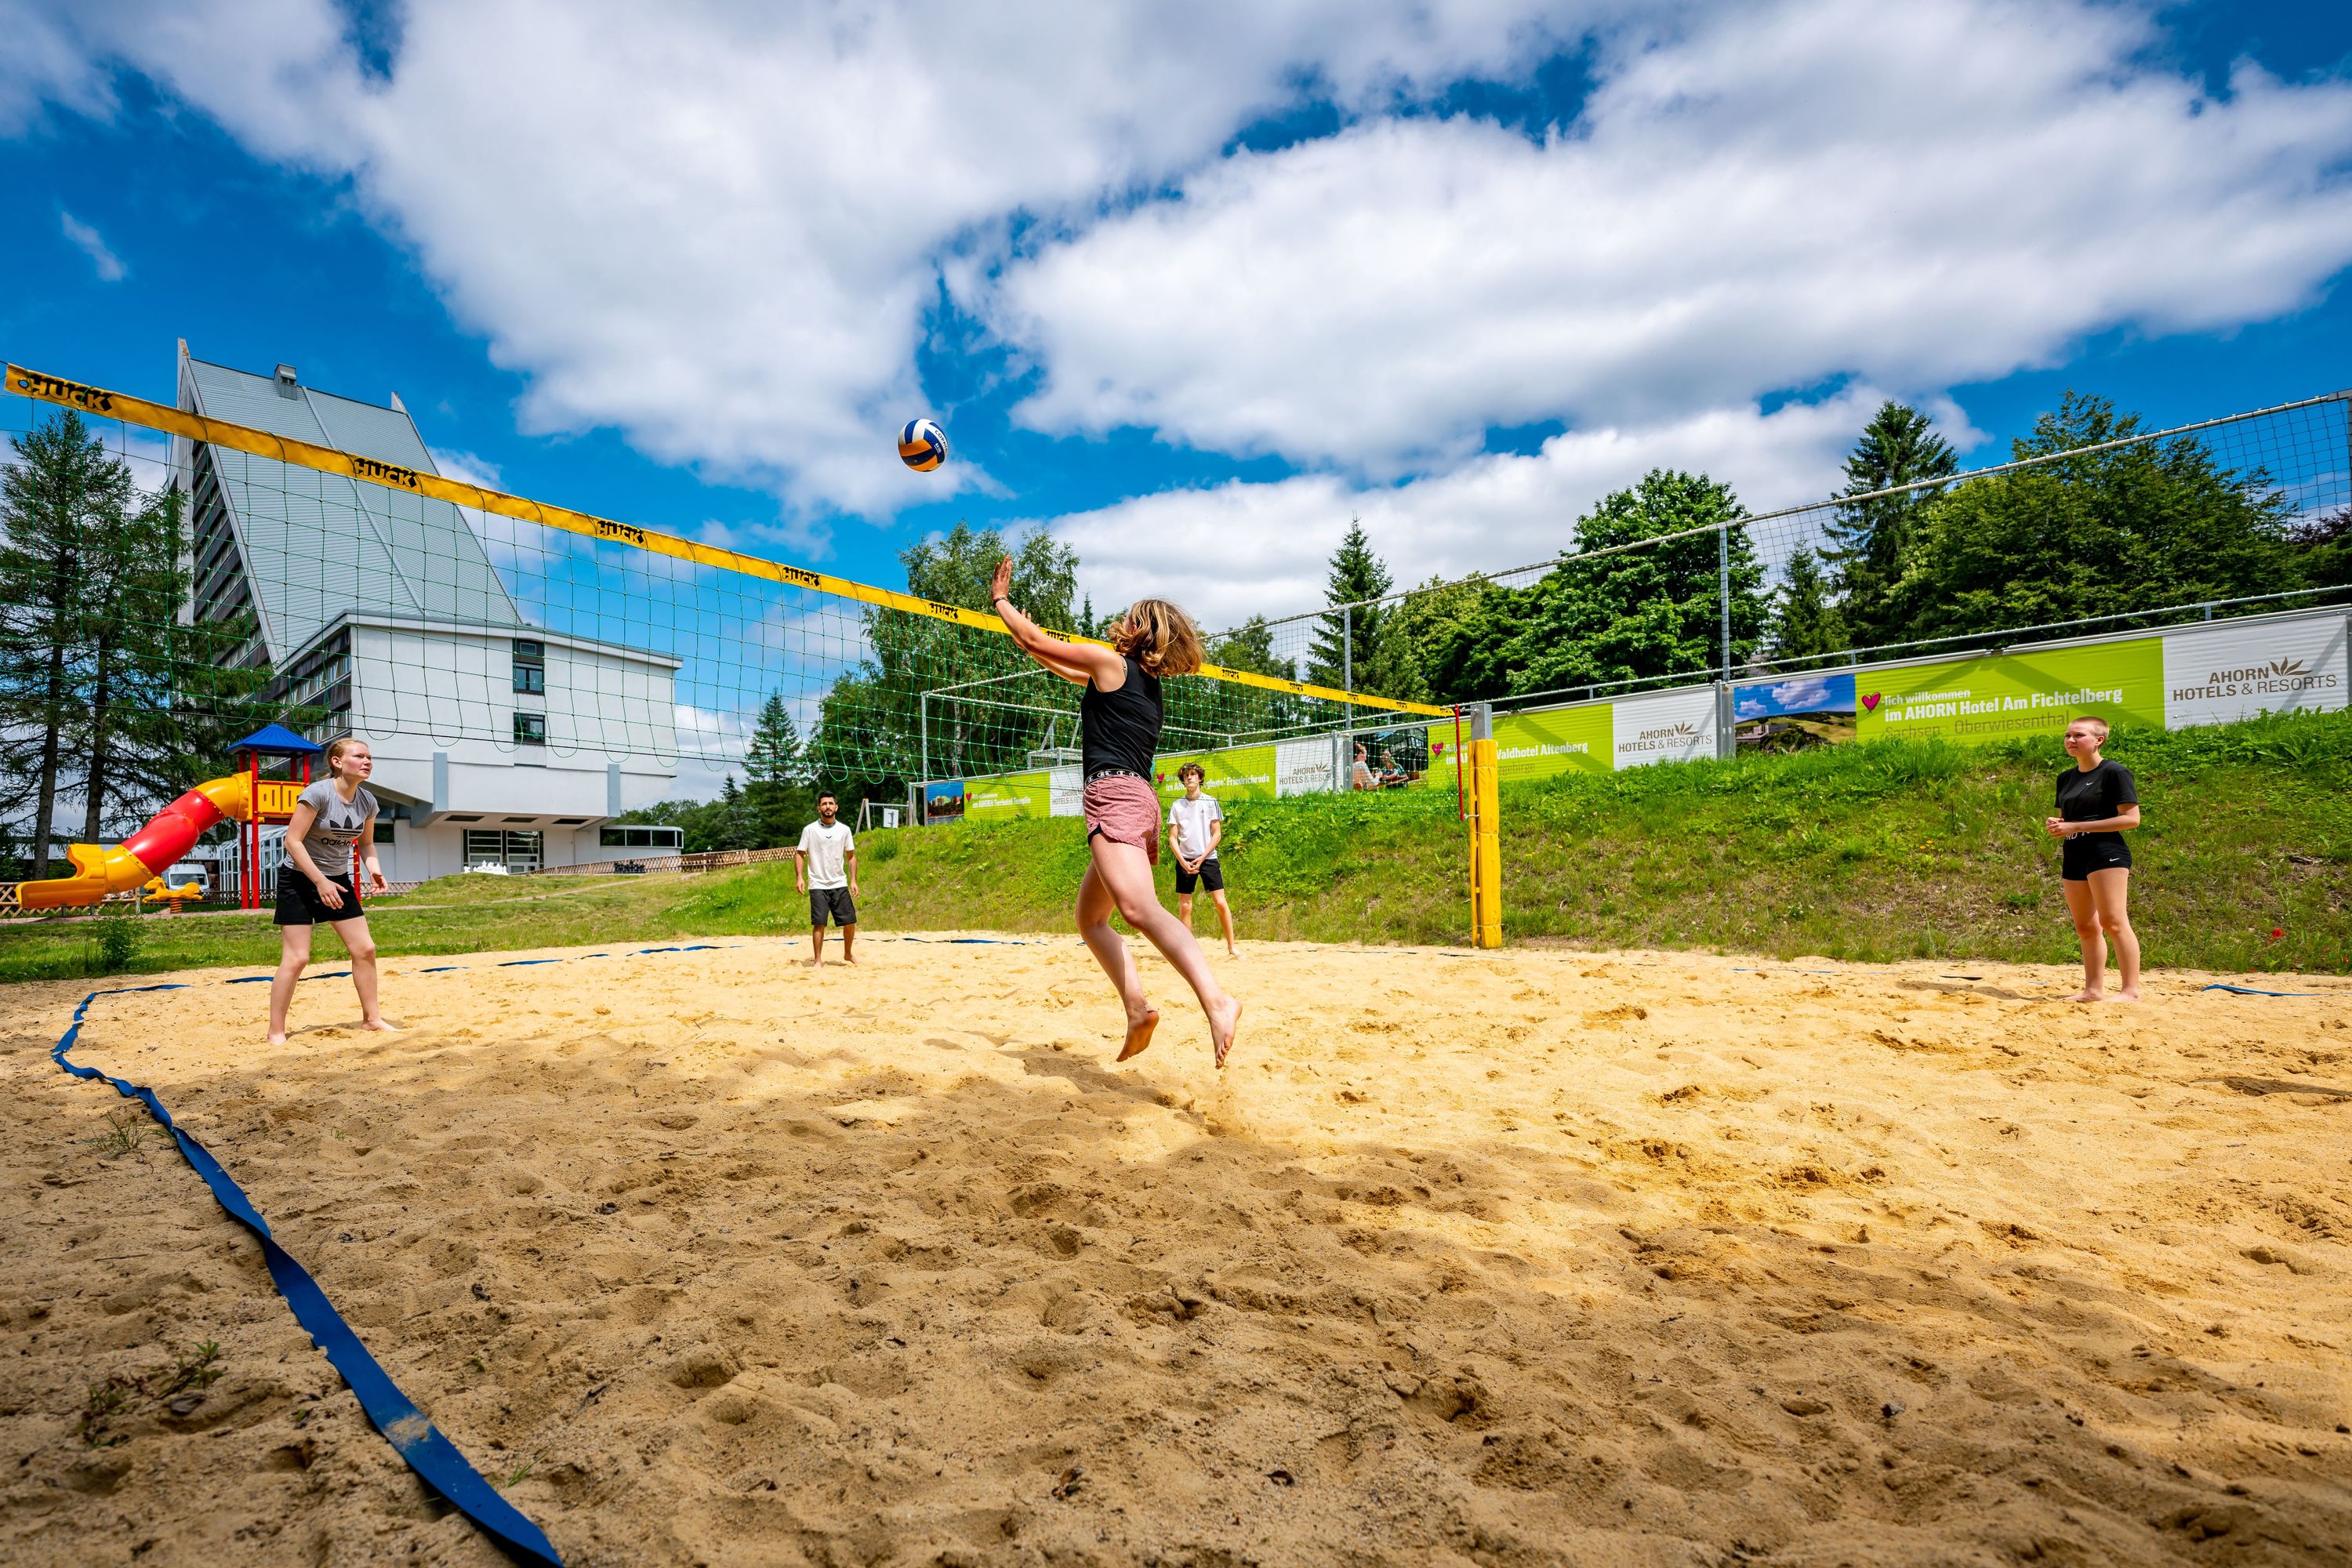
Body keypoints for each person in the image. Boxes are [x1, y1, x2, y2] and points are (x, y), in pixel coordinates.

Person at [990, 555, 1242, 1065]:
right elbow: (1051, 658)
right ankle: (1137, 1011)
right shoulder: (1144, 685)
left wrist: (1001, 601)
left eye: (1130, 617)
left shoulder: (1112, 664)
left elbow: (1042, 644)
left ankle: (1218, 1000)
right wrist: (1020, 631)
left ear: (1140, 630)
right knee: (1091, 919)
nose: (1121, 621)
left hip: (1116, 798)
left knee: (1138, 910)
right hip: (1138, 802)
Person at [268, 737, 394, 1045]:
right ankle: (276, 1031)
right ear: (337, 762)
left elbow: (365, 843)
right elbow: (293, 841)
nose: (367, 761)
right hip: (299, 879)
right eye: (359, 756)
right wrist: (319, 881)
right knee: (297, 958)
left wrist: (373, 868)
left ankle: (372, 1019)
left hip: (337, 879)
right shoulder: (317, 793)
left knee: (365, 949)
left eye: (369, 756)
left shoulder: (368, 802)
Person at [2044, 715, 2141, 1003]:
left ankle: (2130, 991)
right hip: (2075, 851)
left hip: (2106, 850)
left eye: (2079, 735)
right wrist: (2059, 825)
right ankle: (2093, 990)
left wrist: (2076, 826)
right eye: (2067, 736)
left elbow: (2131, 819)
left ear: (2099, 740)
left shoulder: (2114, 772)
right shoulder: (2066, 777)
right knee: (2085, 926)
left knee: (2113, 921)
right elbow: (2069, 819)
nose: (2071, 740)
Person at [1168, 762, 1239, 959]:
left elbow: (1217, 834)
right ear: (1182, 780)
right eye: (1186, 775)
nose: (1189, 777)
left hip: (1208, 859)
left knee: (1220, 902)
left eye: (1193, 774)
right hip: (1186, 860)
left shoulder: (1210, 802)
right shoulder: (1177, 806)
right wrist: (1182, 861)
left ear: (1200, 778)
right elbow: (1172, 837)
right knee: (1185, 906)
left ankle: (1232, 947)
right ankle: (1188, 950)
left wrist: (1203, 857)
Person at [794, 790, 859, 966]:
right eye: (824, 804)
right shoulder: (809, 830)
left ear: (836, 807)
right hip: (817, 884)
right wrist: (799, 877)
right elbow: (800, 854)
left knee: (850, 922)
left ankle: (848, 954)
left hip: (839, 882)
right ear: (819, 808)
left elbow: (851, 856)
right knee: (819, 923)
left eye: (831, 803)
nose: (828, 806)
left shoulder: (844, 830)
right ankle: (817, 961)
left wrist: (853, 880)